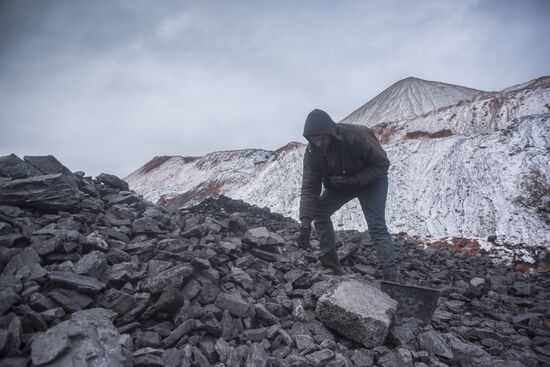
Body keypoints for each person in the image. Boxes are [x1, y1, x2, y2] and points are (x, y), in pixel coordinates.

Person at [297, 109, 397, 280]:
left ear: (331, 133)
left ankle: (391, 276)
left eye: (322, 138)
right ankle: (331, 263)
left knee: (376, 226)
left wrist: (354, 181)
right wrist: (305, 224)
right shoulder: (313, 152)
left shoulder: (356, 136)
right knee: (320, 213)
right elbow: (309, 187)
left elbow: (382, 165)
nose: (319, 143)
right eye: (315, 139)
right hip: (341, 183)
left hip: (372, 181)